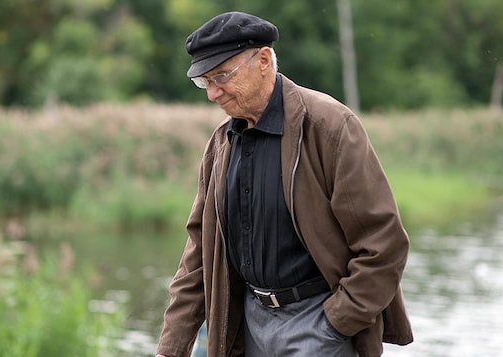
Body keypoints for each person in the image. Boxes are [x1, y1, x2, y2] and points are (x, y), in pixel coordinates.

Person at [156, 11, 413, 357]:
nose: (213, 94)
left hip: (318, 323)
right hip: (247, 325)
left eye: (221, 77)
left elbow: (384, 244)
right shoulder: (220, 145)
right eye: (204, 82)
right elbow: (197, 260)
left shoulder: (329, 127)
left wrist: (336, 322)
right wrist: (170, 348)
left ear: (263, 60)